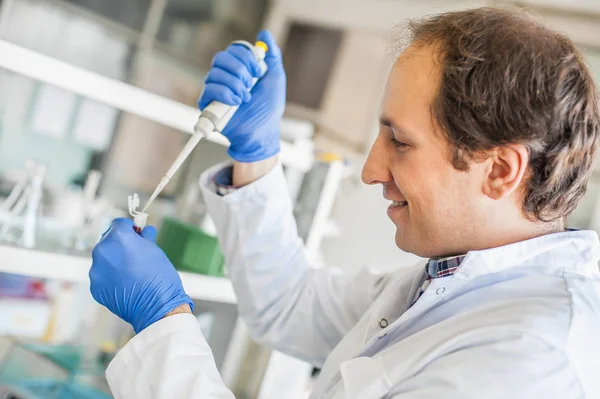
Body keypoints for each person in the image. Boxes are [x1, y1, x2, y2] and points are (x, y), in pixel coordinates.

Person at [89, 7, 600, 399]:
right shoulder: (450, 281)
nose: (370, 171)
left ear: (500, 170)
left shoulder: (534, 356)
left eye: (400, 142)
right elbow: (288, 306)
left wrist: (161, 322)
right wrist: (257, 155)